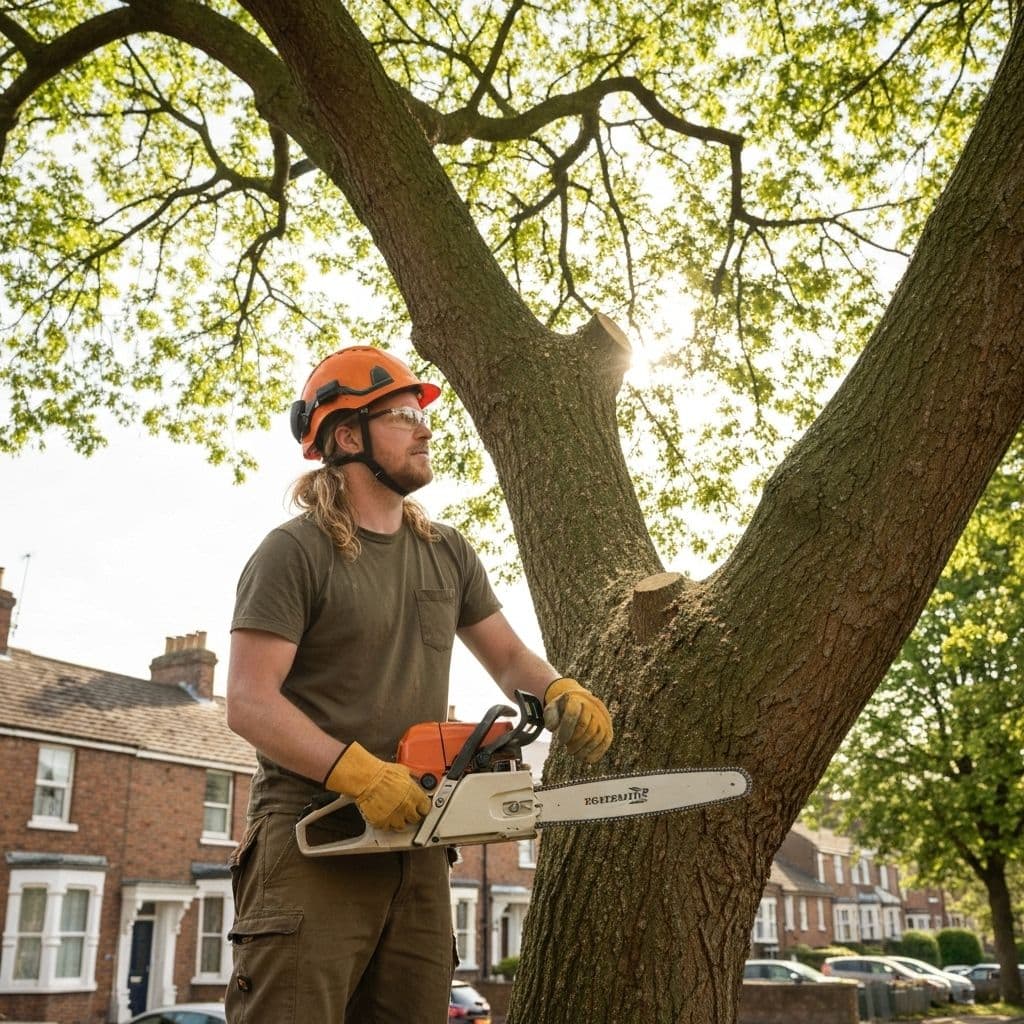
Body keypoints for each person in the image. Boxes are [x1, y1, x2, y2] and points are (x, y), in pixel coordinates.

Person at [223, 345, 613, 1023]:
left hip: (419, 839)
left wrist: (558, 693)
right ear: (349, 437)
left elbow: (508, 656)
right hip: (315, 836)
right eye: (404, 416)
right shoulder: (295, 552)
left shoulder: (447, 551)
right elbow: (250, 702)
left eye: (422, 416)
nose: (425, 429)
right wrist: (358, 773)